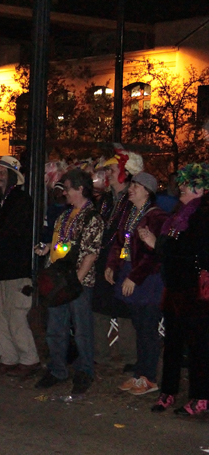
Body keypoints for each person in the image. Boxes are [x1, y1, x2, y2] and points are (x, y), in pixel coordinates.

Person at [140, 163, 209, 415]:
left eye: (186, 183)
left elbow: (191, 250)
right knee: (172, 344)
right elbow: (171, 248)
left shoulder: (202, 215)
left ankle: (201, 397)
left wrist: (158, 244)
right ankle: (167, 393)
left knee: (198, 346)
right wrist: (160, 245)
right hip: (175, 288)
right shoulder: (179, 214)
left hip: (194, 290)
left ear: (199, 189)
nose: (180, 187)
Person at [34, 168, 104, 394]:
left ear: (80, 189)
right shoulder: (66, 216)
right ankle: (57, 369)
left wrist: (76, 282)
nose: (64, 193)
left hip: (76, 283)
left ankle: (85, 371)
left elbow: (91, 253)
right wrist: (47, 249)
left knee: (82, 329)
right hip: (59, 281)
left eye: (68, 188)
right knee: (56, 327)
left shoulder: (92, 218)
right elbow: (61, 245)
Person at [105, 172, 167, 395]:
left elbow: (155, 256)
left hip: (147, 280)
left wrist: (134, 277)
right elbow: (119, 242)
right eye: (132, 185)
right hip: (131, 273)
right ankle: (140, 373)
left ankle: (149, 377)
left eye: (137, 186)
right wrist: (112, 265)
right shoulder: (130, 213)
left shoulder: (157, 217)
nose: (131, 189)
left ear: (147, 191)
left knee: (148, 328)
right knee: (139, 326)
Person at [0, 156, 40, 377]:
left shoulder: (21, 200)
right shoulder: (0, 201)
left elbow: (13, 231)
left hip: (16, 269)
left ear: (13, 176)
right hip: (1, 270)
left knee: (16, 315)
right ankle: (9, 357)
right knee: (1, 315)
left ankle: (29, 359)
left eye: (3, 172)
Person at [93, 151, 142, 371]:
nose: (108, 175)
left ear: (125, 172)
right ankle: (100, 354)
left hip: (123, 260)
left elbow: (130, 235)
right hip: (104, 258)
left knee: (124, 309)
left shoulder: (131, 201)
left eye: (112, 170)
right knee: (100, 306)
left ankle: (129, 357)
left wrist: (122, 260)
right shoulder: (105, 200)